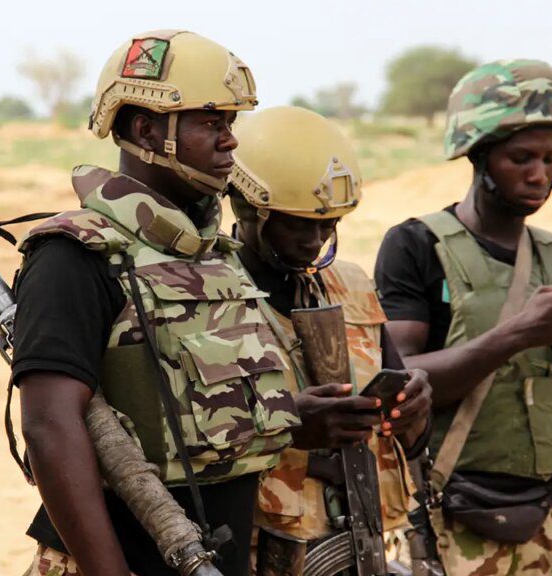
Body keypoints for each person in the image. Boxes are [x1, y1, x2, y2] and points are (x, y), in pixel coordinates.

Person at [11, 31, 299, 575]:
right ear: (147, 129)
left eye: (231, 124)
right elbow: (49, 426)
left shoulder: (214, 253)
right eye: (211, 124)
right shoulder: (76, 255)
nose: (230, 142)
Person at [374, 59, 552, 574]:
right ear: (479, 155)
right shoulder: (416, 246)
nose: (540, 174)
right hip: (455, 522)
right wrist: (519, 332)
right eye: (522, 158)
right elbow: (399, 390)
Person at [226, 106, 432, 571]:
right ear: (249, 208)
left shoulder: (352, 286)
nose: (317, 240)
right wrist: (287, 428)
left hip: (359, 540)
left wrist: (416, 409)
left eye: (330, 224)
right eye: (299, 224)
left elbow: (407, 433)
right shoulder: (206, 297)